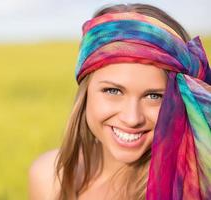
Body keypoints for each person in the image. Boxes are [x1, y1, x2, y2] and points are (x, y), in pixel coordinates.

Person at [29, 3, 211, 200]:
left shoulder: (192, 189)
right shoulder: (48, 178)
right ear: (86, 92)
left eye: (154, 96)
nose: (132, 118)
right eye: (113, 90)